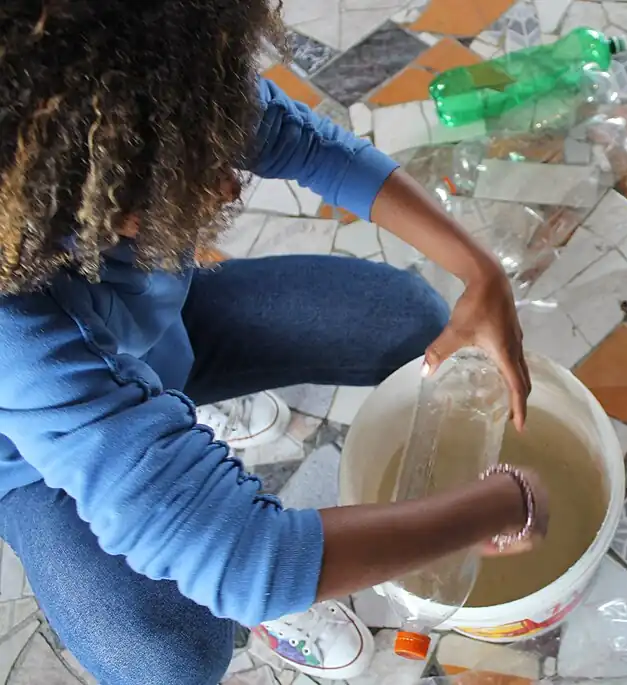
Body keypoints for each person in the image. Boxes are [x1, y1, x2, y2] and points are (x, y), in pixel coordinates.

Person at [0, 2, 550, 684]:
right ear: (72, 203)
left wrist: (481, 271)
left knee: (410, 319)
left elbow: (306, 143)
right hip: (31, 465)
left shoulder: (138, 81)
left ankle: (163, 418)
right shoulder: (17, 329)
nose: (230, 183)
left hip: (162, 334)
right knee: (164, 660)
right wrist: (507, 501)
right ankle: (164, 463)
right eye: (188, 172)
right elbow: (245, 561)